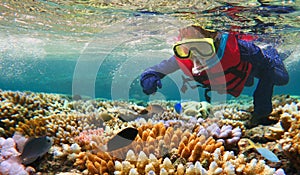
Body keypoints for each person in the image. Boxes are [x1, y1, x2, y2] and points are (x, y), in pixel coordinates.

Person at [140, 25, 289, 128]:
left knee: (281, 78)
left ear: (216, 43)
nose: (195, 57)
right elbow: (155, 70)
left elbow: (267, 69)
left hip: (250, 68)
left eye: (203, 48)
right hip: (234, 76)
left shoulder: (244, 49)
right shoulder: (186, 59)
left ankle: (271, 52)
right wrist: (148, 77)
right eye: (186, 50)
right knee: (248, 83)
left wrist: (262, 107)